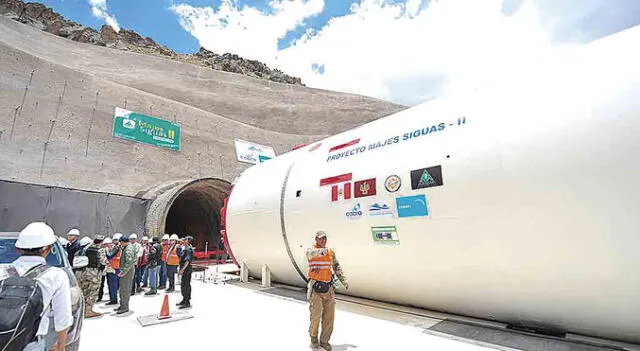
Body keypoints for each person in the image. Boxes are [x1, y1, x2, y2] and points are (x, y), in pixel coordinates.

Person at [12, 222, 73, 351]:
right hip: (31, 342)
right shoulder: (56, 275)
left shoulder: (2, 271)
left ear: (18, 249)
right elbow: (63, 317)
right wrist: (60, 345)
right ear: (48, 249)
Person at [306, 231, 348, 351]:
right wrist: (321, 251)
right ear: (316, 239)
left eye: (325, 238)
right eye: (321, 239)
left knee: (329, 317)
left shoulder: (330, 252)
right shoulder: (311, 250)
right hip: (316, 288)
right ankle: (314, 337)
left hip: (328, 288)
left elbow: (336, 266)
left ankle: (325, 341)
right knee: (316, 315)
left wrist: (343, 280)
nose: (323, 241)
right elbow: (310, 254)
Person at [79, 236, 107, 318]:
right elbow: (104, 261)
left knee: (85, 290)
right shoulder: (100, 250)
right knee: (93, 291)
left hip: (84, 271)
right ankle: (89, 310)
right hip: (95, 272)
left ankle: (82, 310)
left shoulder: (86, 249)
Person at [116, 234, 136, 315]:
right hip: (127, 270)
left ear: (123, 242)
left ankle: (125, 307)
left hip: (127, 271)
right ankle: (122, 305)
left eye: (120, 243)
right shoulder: (127, 247)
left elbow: (129, 261)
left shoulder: (128, 249)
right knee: (122, 288)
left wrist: (123, 271)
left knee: (125, 289)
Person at [177, 236, 194, 309]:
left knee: (186, 285)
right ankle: (184, 299)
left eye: (185, 239)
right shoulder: (185, 248)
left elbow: (187, 261)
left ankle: (187, 302)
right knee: (183, 285)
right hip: (184, 270)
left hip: (187, 271)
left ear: (188, 241)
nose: (183, 240)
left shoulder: (188, 249)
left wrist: (182, 270)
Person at [105, 234, 122, 305]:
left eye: (116, 240)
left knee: (112, 285)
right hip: (116, 267)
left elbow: (109, 256)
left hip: (114, 267)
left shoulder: (117, 248)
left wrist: (105, 251)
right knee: (114, 284)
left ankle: (113, 299)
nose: (114, 241)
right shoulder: (121, 247)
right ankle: (113, 298)